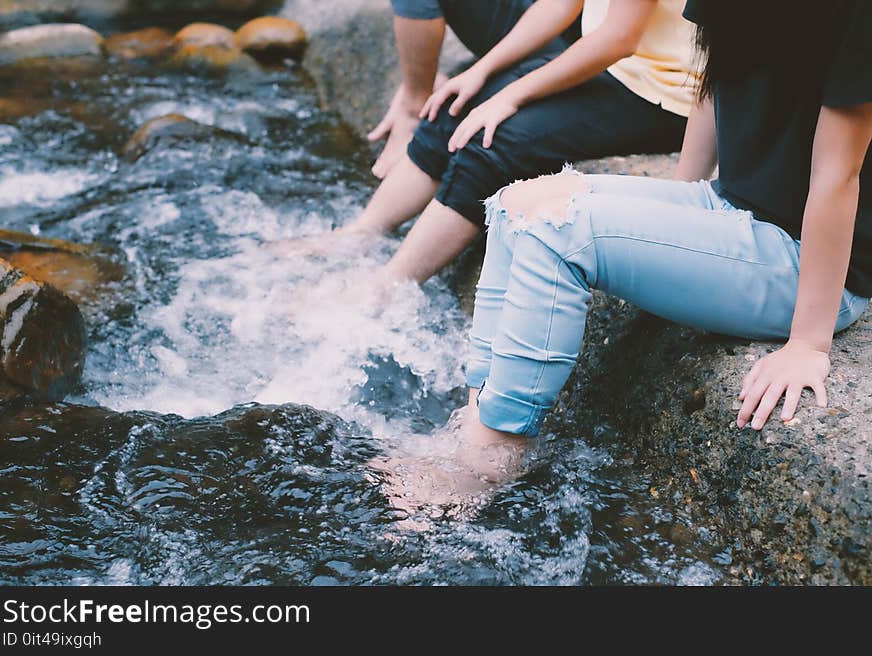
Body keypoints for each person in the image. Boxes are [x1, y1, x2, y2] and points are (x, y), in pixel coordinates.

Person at [447, 0, 871, 469]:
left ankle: (495, 456)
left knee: (559, 231)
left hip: (804, 259)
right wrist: (669, 222)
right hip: (729, 204)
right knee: (517, 204)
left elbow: (838, 176)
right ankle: (477, 423)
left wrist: (808, 345)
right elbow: (712, 80)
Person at [271, 0, 698, 286]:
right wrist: (484, 71)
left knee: (493, 140)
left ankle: (388, 286)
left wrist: (511, 94)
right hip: (619, 69)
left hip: (663, 97)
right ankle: (363, 232)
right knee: (458, 103)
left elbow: (618, 38)